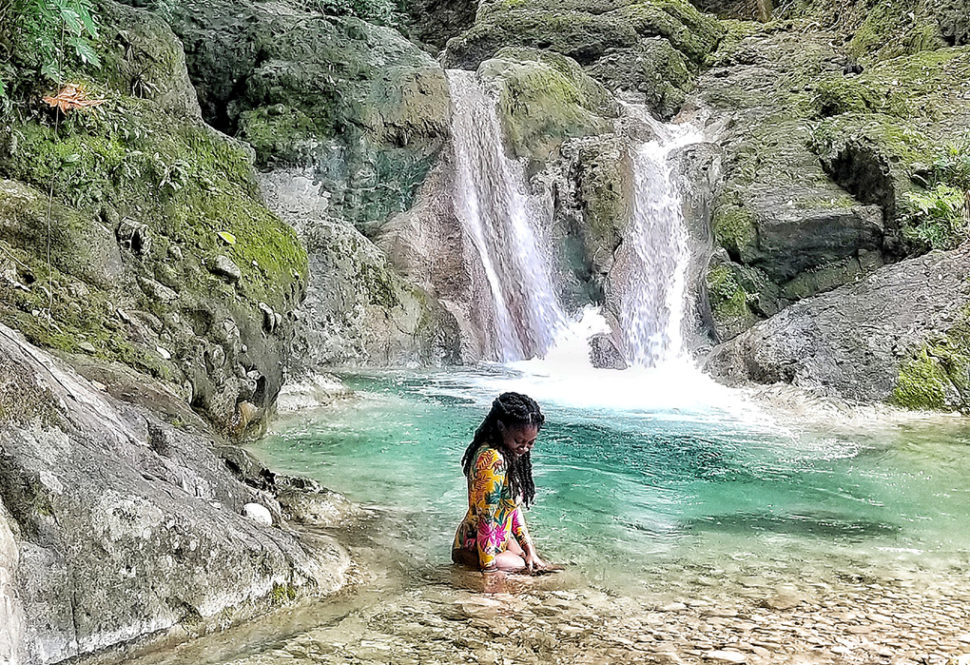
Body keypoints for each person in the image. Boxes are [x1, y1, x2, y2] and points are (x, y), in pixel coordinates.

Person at [452, 392, 549, 573]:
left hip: (499, 542)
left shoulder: (509, 453)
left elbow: (513, 509)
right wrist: (489, 571)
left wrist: (530, 550)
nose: (524, 448)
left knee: (539, 565)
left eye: (530, 443)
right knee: (527, 570)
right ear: (501, 427)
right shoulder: (491, 459)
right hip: (474, 550)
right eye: (519, 441)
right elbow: (485, 518)